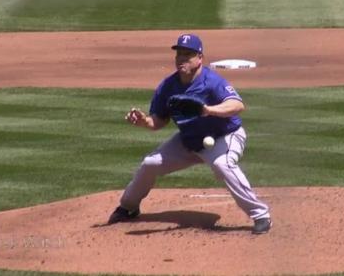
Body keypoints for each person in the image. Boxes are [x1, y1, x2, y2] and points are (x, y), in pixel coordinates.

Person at [107, 33, 272, 234]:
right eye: (179, 54)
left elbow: (237, 105)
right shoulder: (168, 86)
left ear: (200, 58)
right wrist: (145, 122)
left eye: (188, 54)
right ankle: (128, 207)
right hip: (189, 141)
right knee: (150, 164)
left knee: (223, 165)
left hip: (224, 136)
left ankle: (261, 215)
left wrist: (208, 110)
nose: (182, 59)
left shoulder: (211, 81)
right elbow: (158, 121)